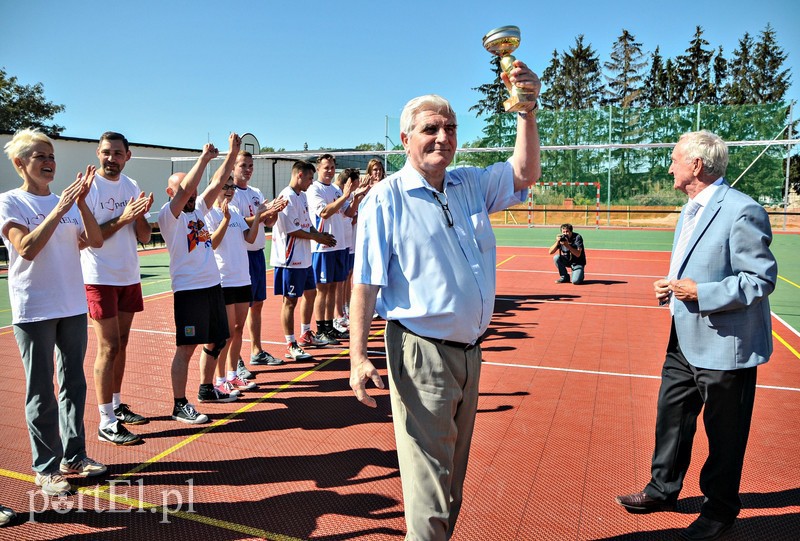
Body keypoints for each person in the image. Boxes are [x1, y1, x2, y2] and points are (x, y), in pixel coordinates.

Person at [349, 58, 541, 540]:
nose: (443, 137)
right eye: (430, 129)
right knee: (430, 484)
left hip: (470, 352)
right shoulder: (386, 199)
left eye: (450, 128)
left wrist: (526, 112)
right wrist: (357, 357)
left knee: (451, 479)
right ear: (405, 140)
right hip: (421, 351)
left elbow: (525, 173)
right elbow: (366, 283)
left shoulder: (469, 183)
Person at [615, 130, 778, 541]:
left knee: (725, 433)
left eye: (674, 159)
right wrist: (669, 287)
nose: (669, 166)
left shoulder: (742, 210)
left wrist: (701, 293)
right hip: (683, 338)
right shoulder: (690, 209)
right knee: (671, 417)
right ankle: (663, 489)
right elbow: (692, 266)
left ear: (696, 165)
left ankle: (720, 509)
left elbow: (760, 279)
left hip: (726, 346)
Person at [1, 128, 107, 496]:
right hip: (35, 307)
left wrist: (80, 204)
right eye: (40, 157)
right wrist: (60, 207)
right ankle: (45, 468)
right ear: (19, 164)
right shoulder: (11, 202)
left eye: (51, 157)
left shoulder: (67, 203)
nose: (49, 163)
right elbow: (26, 248)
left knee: (73, 383)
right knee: (41, 390)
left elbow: (93, 240)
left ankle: (73, 455)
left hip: (71, 304)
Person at [157, 134, 241, 425]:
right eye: (185, 190)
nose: (192, 194)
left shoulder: (200, 210)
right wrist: (203, 158)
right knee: (186, 348)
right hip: (189, 291)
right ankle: (179, 404)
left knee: (220, 338)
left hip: (211, 286)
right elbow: (190, 188)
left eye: (193, 191)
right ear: (172, 191)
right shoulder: (169, 216)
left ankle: (206, 388)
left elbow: (217, 182)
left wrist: (232, 153)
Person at [81, 131, 153, 446]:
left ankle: (116, 405)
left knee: (122, 344)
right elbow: (86, 238)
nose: (112, 159)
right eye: (107, 153)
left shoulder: (132, 186)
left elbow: (146, 237)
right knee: (108, 347)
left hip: (128, 276)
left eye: (118, 153)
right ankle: (106, 420)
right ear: (98, 153)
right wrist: (123, 218)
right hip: (99, 276)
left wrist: (138, 216)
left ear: (127, 156)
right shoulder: (89, 187)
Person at [205, 177, 270, 394]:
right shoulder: (208, 213)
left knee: (238, 329)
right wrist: (224, 219)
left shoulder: (234, 210)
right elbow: (212, 243)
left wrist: (259, 215)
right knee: (225, 333)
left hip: (242, 277)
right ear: (216, 188)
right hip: (224, 280)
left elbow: (250, 239)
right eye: (226, 186)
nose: (230, 190)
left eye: (232, 187)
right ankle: (220, 378)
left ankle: (233, 375)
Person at [270, 161, 337, 360]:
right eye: (309, 178)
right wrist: (317, 237)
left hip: (304, 258)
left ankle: (306, 333)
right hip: (290, 259)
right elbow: (293, 230)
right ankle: (291, 344)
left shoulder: (302, 196)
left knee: (311, 292)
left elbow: (307, 225)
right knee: (290, 301)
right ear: (299, 175)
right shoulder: (287, 196)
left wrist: (320, 234)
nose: (311, 182)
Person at [230, 151, 284, 369]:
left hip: (257, 253)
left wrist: (276, 211)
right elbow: (240, 221)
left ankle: (256, 350)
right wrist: (263, 213)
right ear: (233, 167)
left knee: (257, 305)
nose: (248, 169)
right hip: (240, 256)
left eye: (251, 165)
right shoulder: (229, 194)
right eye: (244, 165)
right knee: (237, 315)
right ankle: (236, 359)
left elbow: (267, 221)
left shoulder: (255, 192)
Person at [307, 154, 354, 344]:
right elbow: (325, 212)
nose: (330, 171)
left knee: (334, 287)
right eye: (326, 167)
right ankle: (321, 329)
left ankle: (330, 326)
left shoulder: (335, 190)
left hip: (339, 245)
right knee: (323, 290)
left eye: (332, 167)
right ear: (318, 169)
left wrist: (354, 197)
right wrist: (344, 197)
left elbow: (348, 213)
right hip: (323, 247)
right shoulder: (314, 190)